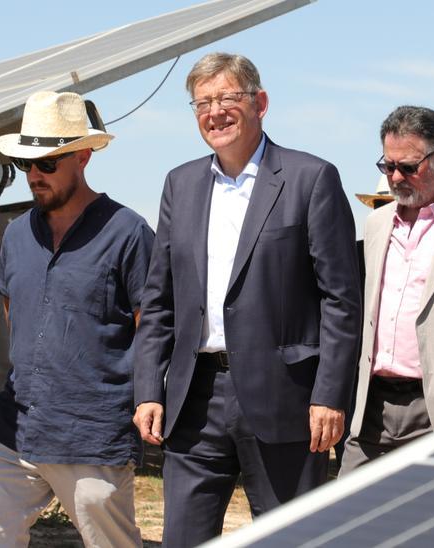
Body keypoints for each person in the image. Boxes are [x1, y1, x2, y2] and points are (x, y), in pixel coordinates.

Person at [131, 52, 361, 547]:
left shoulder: (311, 179)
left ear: (260, 102)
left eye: (226, 98)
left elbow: (340, 300)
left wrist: (329, 394)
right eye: (202, 103)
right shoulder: (180, 183)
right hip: (193, 401)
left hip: (286, 401)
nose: (214, 112)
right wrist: (149, 386)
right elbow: (161, 299)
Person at [0, 91, 150, 548]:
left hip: (90, 432)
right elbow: (16, 315)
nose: (34, 175)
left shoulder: (128, 232)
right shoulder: (16, 235)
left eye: (47, 164)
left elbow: (152, 328)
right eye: (27, 164)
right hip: (14, 423)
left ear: (83, 156)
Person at [339, 106, 434, 474]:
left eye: (408, 167)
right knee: (348, 521)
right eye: (387, 166)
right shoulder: (377, 224)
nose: (396, 177)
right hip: (371, 408)